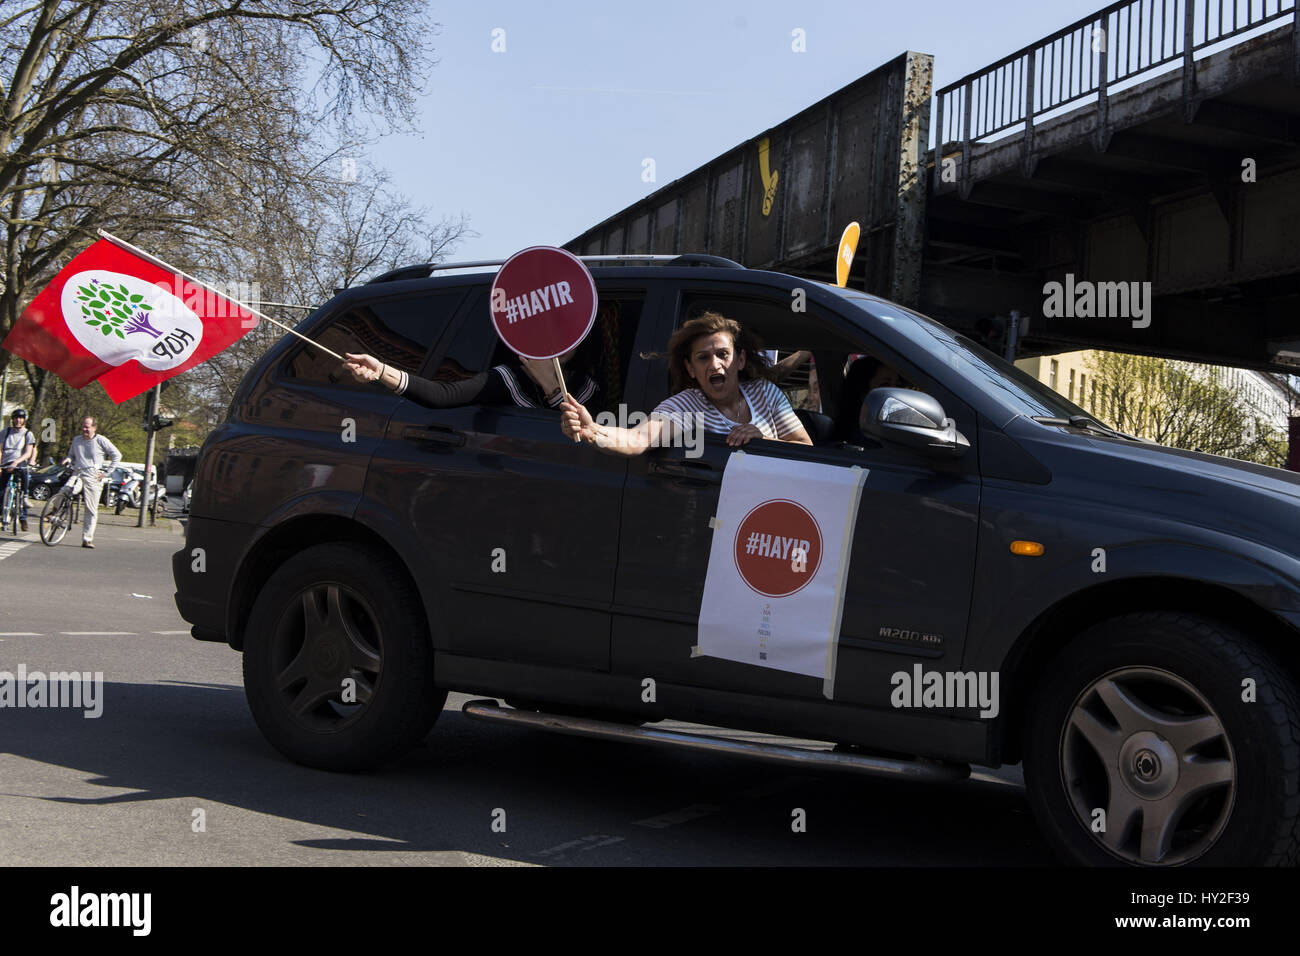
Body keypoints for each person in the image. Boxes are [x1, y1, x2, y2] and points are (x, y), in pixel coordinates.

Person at [560, 311, 813, 453]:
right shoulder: (689, 406)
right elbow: (637, 439)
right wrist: (593, 431)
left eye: (723, 354)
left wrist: (762, 441)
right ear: (690, 369)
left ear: (740, 359)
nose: (715, 365)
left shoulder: (765, 393)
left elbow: (806, 449)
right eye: (703, 358)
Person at [342, 347, 598, 411]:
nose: (560, 341)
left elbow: (590, 443)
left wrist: (553, 388)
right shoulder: (508, 379)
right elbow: (442, 395)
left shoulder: (589, 387)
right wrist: (381, 370)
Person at [59, 416, 122, 549]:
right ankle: (53, 511)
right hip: (78, 473)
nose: (84, 429)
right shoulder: (77, 440)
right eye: (83, 426)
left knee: (91, 509)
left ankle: (87, 539)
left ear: (94, 428)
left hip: (93, 476)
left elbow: (117, 455)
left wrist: (106, 473)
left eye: (87, 427)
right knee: (65, 490)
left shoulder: (101, 440)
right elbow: (71, 455)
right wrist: (68, 460)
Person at [1, 408, 37, 531]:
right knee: (1, 489)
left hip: (19, 462)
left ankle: (23, 516)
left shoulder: (28, 434)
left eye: (20, 418)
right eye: (16, 418)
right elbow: (0, 450)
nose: (18, 420)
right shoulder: (5, 432)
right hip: (6, 462)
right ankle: (2, 514)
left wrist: (16, 462)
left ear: (24, 420)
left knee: (24, 475)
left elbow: (28, 453)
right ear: (12, 419)